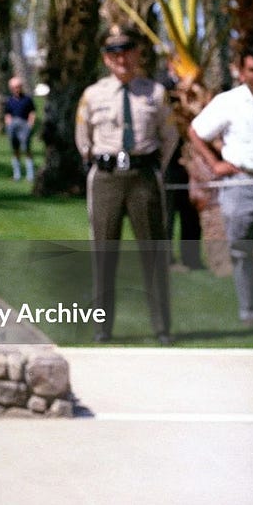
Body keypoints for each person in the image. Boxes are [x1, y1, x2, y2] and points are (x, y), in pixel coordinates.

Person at [74, 25, 175, 344]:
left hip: (143, 178)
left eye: (127, 51)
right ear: (106, 58)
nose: (122, 59)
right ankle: (102, 327)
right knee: (104, 253)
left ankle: (161, 327)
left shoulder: (155, 93)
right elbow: (83, 139)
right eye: (114, 53)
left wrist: (152, 166)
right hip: (106, 179)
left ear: (138, 54)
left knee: (153, 252)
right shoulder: (93, 95)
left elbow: (170, 136)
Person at [188, 46, 253, 325]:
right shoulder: (228, 102)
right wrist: (215, 164)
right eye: (252, 70)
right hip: (240, 184)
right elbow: (196, 131)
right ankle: (249, 312)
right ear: (242, 73)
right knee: (240, 250)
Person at [2, 75, 36, 182]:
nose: (16, 89)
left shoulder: (27, 99)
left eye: (18, 87)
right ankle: (17, 174)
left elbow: (32, 112)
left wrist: (30, 124)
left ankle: (30, 175)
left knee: (27, 150)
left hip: (24, 125)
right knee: (15, 150)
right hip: (13, 126)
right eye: (14, 87)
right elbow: (7, 114)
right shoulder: (9, 101)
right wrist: (8, 124)